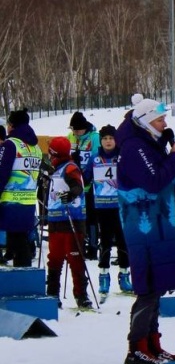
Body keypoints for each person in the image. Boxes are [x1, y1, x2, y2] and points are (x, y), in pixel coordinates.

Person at [116, 98, 175, 364]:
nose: (165, 124)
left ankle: (152, 344)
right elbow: (154, 180)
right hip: (143, 225)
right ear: (146, 122)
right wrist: (174, 157)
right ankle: (137, 347)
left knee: (157, 285)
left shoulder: (147, 144)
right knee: (148, 286)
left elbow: (164, 176)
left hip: (158, 223)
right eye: (160, 121)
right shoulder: (135, 147)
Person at [84, 125, 132, 302]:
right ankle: (103, 277)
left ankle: (124, 275)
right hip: (102, 206)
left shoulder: (122, 156)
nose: (108, 141)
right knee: (104, 241)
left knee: (122, 240)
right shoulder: (95, 158)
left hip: (121, 206)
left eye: (111, 138)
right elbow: (86, 177)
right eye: (104, 138)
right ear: (101, 140)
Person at [44, 136, 92, 309]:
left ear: (55, 154)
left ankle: (81, 295)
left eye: (50, 153)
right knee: (54, 258)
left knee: (75, 258)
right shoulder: (55, 170)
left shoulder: (70, 167)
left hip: (72, 220)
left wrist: (70, 195)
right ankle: (52, 294)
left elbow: (78, 186)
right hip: (56, 221)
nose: (49, 156)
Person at [0, 109, 42, 267]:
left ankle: (23, 279)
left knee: (17, 242)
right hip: (29, 200)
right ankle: (22, 275)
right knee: (20, 240)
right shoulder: (35, 147)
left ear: (11, 125)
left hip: (11, 200)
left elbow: (2, 172)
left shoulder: (11, 144)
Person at [68, 111, 101, 260]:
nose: (75, 133)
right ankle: (77, 245)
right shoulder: (70, 137)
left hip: (89, 185)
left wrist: (87, 176)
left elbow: (96, 158)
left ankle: (93, 246)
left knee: (91, 217)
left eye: (77, 130)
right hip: (73, 185)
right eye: (73, 130)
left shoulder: (94, 137)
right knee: (74, 215)